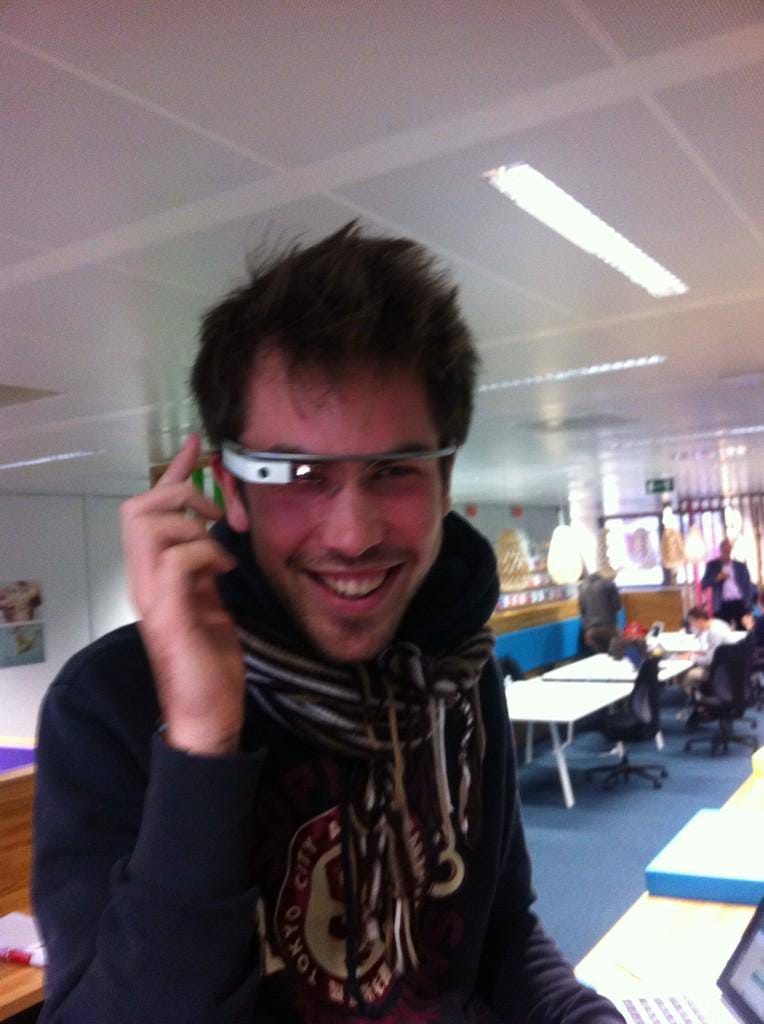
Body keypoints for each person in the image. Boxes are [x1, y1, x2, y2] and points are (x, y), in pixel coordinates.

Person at [33, 224, 623, 1023]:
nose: (351, 534)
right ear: (231, 488)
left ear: (446, 478)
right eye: (298, 472)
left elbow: (498, 937)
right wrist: (202, 745)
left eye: (394, 470)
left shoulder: (456, 669)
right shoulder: (110, 704)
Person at [700, 537, 754, 628]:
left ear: (731, 550)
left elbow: (748, 586)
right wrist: (717, 578)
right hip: (721, 604)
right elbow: (704, 584)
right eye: (724, 549)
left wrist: (747, 602)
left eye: (728, 549)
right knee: (721, 630)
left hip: (739, 602)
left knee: (743, 629)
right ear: (720, 550)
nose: (726, 552)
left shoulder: (740, 566)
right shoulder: (712, 566)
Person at [681, 605, 733, 696]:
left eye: (692, 623)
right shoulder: (718, 623)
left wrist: (691, 657)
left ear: (699, 621)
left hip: (721, 671)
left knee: (690, 675)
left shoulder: (714, 633)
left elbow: (710, 660)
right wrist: (696, 653)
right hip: (728, 664)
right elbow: (716, 651)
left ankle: (692, 699)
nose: (692, 626)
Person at [578, 570, 622, 654]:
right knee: (618, 651)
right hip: (609, 629)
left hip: (590, 632)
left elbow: (582, 611)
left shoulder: (582, 587)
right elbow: (618, 606)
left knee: (599, 656)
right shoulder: (609, 584)